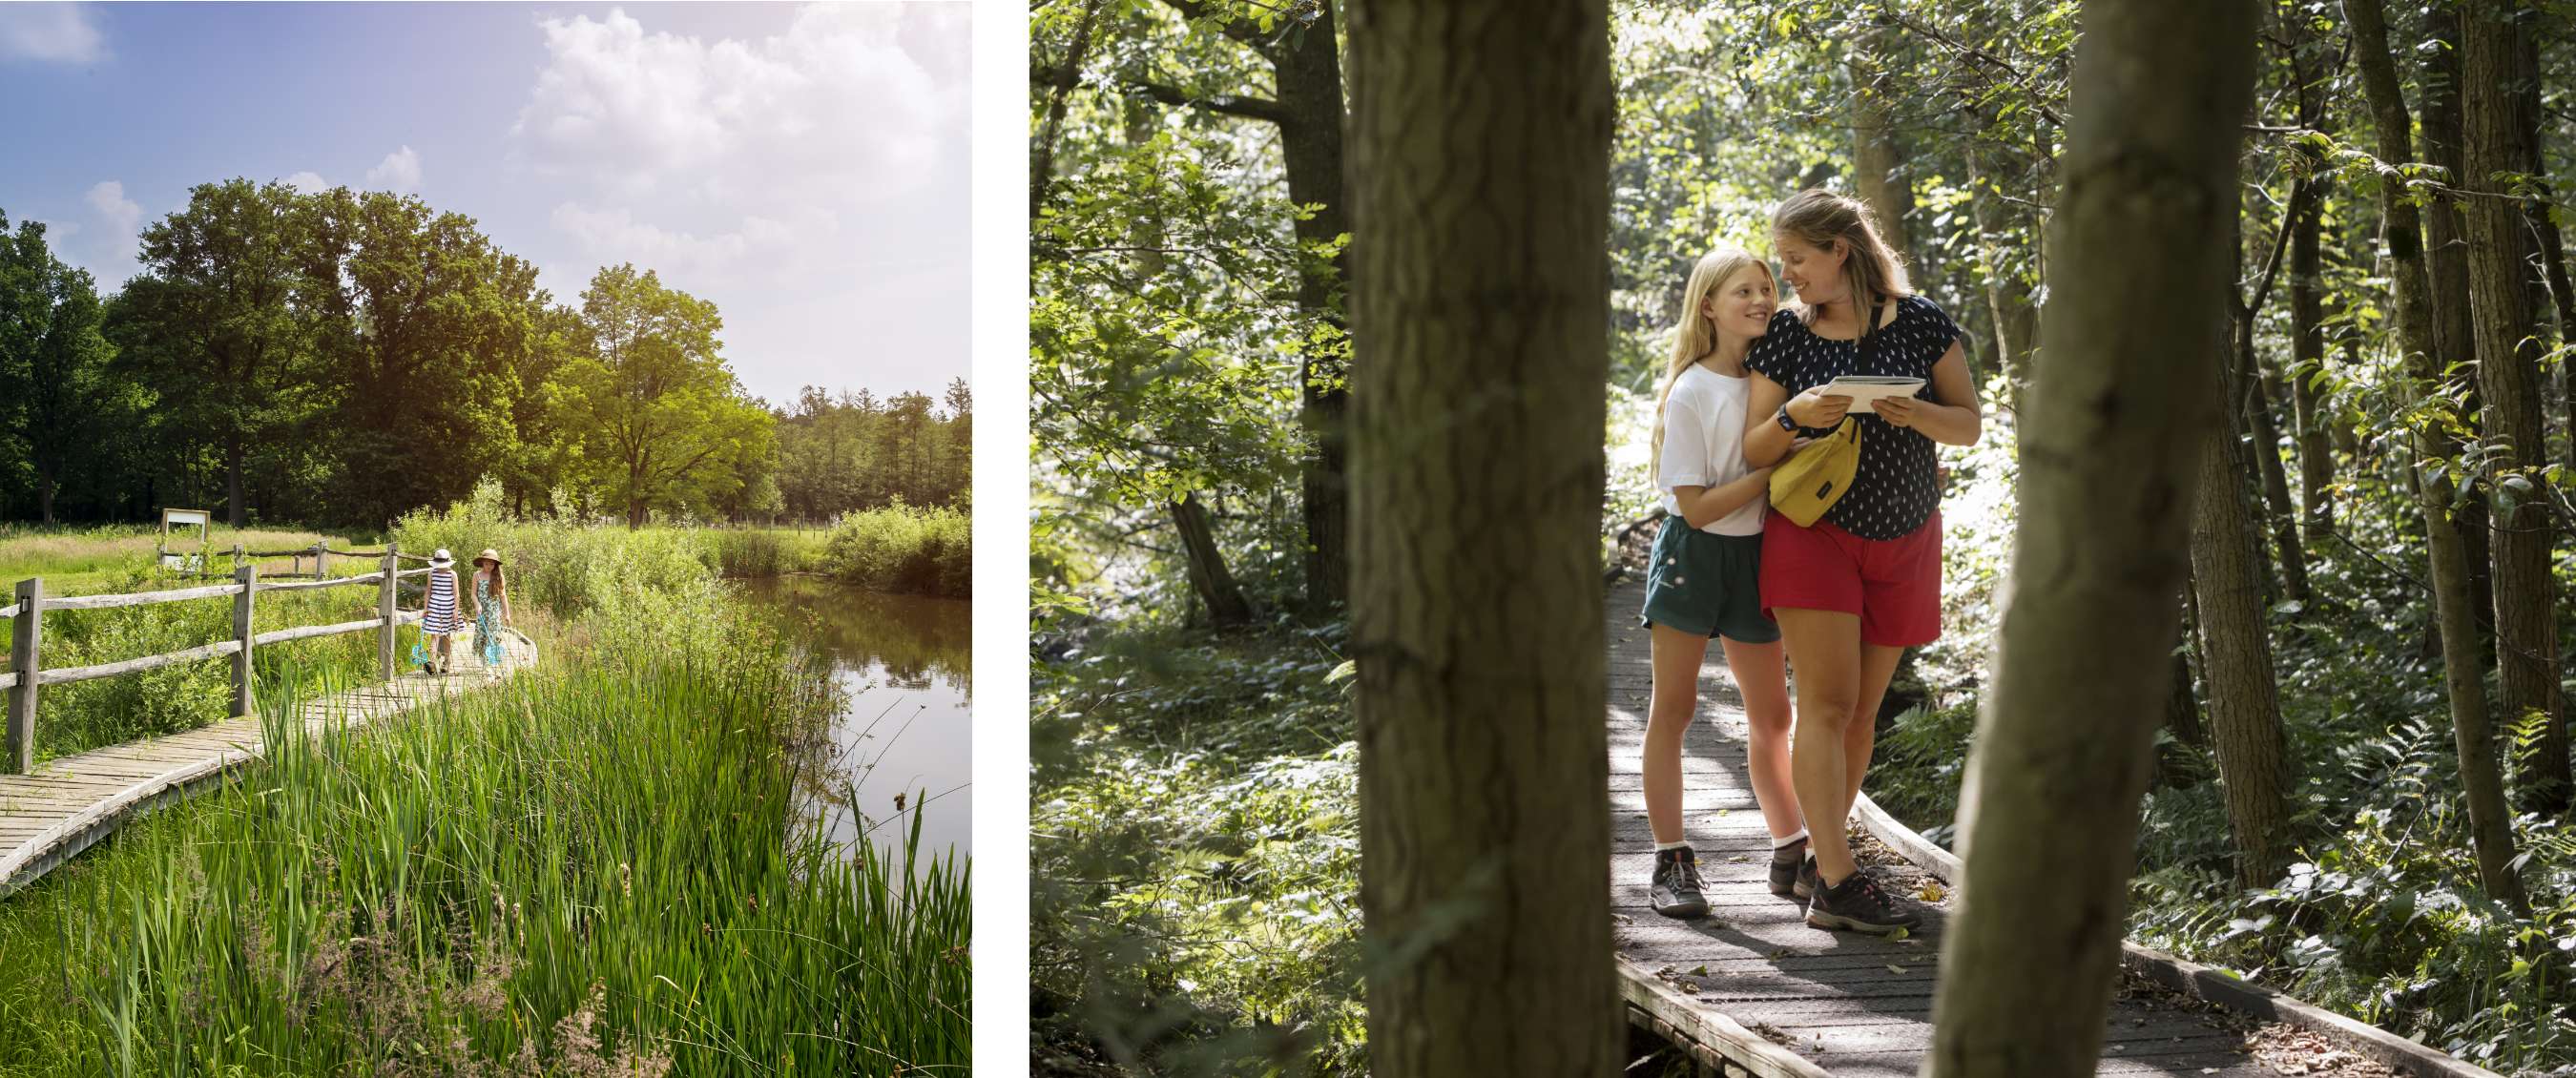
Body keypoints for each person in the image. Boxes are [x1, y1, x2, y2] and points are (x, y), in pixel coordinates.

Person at [1742, 189, 1982, 935]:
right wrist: (1794, 416)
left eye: (1797, 261)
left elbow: (1970, 426)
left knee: (1862, 715)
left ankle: (1819, 855)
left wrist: (1918, 415)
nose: (1790, 278)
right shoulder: (1787, 335)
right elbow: (1753, 447)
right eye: (1783, 265)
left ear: (1839, 251)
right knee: (1827, 704)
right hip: (1815, 532)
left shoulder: (1923, 322)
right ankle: (1840, 883)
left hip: (1906, 535)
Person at [1640, 246, 1808, 919]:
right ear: (1709, 306)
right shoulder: (1692, 390)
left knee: (1773, 717)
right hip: (1693, 554)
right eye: (1744, 291)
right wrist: (1776, 468)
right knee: (1673, 712)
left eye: (1767, 289)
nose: (1762, 300)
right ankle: (1672, 858)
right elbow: (1699, 505)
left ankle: (1791, 847)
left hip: (1755, 557)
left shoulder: (1776, 380)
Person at [420, 549, 465, 675]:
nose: (440, 568)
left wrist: (456, 610)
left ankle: (446, 661)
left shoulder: (452, 574)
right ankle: (432, 662)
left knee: (446, 636)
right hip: (434, 606)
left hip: (448, 607)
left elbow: (456, 594)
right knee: (434, 634)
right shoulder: (432, 573)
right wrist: (425, 608)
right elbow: (428, 591)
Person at [469, 549, 512, 668]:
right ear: (482, 562)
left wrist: (507, 614)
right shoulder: (477, 575)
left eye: (492, 564)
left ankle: (490, 661)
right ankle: (484, 660)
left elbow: (503, 596)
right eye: (487, 563)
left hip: (494, 611)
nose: (489, 566)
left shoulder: (499, 577)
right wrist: (477, 604)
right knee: (482, 634)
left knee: (492, 634)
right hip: (482, 610)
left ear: (495, 565)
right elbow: (473, 594)